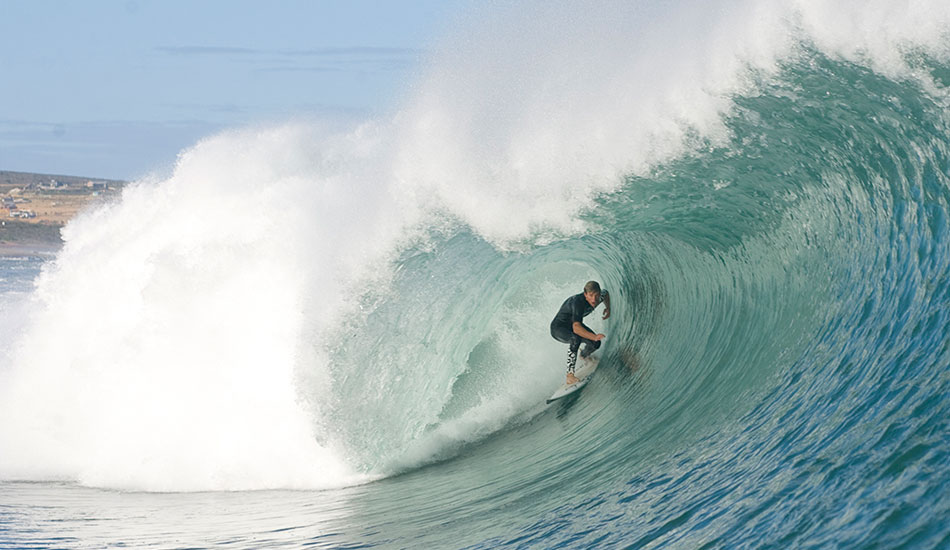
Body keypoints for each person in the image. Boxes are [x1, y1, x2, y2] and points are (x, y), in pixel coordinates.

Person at [550, 281, 611, 385]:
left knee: (596, 343)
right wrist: (594, 336)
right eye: (590, 295)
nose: (594, 299)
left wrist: (608, 308)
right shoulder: (577, 302)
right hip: (559, 328)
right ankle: (570, 376)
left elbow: (606, 294)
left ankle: (584, 356)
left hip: (573, 325)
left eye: (596, 295)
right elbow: (577, 329)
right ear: (585, 294)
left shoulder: (599, 297)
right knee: (575, 339)